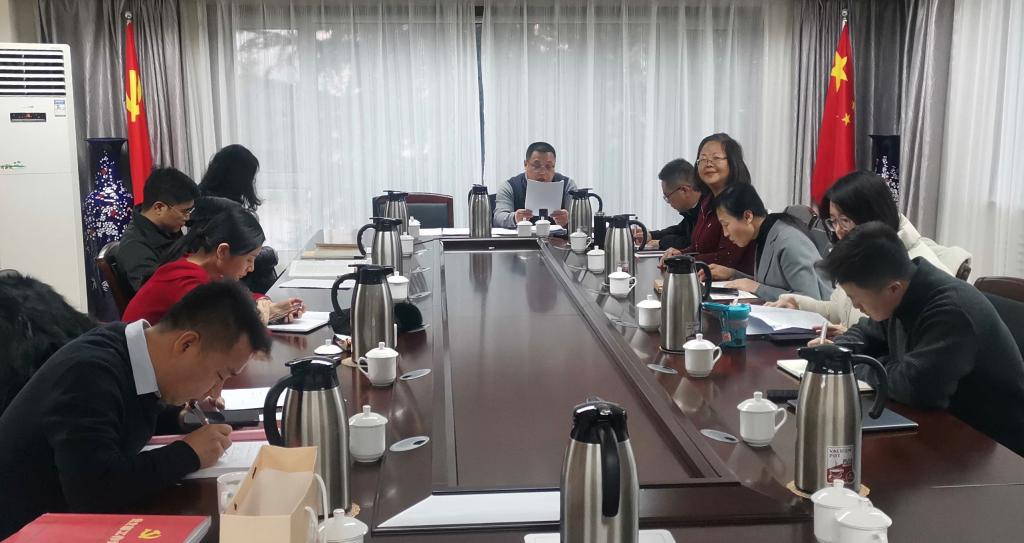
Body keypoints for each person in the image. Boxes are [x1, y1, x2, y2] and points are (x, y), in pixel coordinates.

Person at [0, 281, 274, 539]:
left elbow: (123, 412)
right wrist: (188, 453)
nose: (216, 391)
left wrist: (178, 418)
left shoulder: (131, 350)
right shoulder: (89, 373)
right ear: (186, 344)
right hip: (25, 529)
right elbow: (93, 491)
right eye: (219, 375)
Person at [809, 222, 1024, 456]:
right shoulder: (903, 290)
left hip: (992, 449)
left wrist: (853, 364)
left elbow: (914, 388)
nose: (856, 306)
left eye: (856, 298)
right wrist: (838, 352)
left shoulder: (951, 312)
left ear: (893, 288)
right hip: (941, 429)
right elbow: (864, 332)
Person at [768, 171, 957, 335]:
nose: (838, 230)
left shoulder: (907, 266)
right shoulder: (862, 253)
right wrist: (798, 304)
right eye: (833, 221)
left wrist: (852, 336)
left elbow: (899, 339)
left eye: (845, 220)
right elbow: (838, 311)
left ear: (872, 215)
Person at [122, 204, 303, 325]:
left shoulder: (204, 271)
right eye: (249, 259)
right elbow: (227, 328)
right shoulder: (186, 281)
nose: (251, 268)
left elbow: (238, 300)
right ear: (222, 252)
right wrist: (261, 313)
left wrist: (270, 308)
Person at [710, 183, 832, 301]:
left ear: (748, 217)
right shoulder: (766, 233)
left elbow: (810, 299)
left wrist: (757, 288)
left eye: (726, 224)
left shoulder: (789, 241)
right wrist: (732, 274)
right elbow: (771, 283)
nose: (725, 233)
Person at [659, 133, 756, 274]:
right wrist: (680, 253)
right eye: (703, 159)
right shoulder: (707, 200)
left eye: (716, 158)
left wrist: (685, 259)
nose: (708, 164)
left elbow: (726, 259)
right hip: (705, 279)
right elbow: (698, 247)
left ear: (733, 163)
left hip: (734, 284)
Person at [195, 144, 279, 293]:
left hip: (227, 269)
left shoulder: (204, 199)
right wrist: (268, 255)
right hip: (226, 274)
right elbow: (234, 253)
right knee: (267, 262)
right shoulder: (222, 207)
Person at [114, 168, 200, 292]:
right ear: (159, 208)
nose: (187, 218)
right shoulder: (135, 246)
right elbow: (157, 293)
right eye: (185, 211)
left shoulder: (168, 228)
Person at [492, 142, 578, 228]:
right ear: (525, 164)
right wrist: (514, 218)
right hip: (521, 236)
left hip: (558, 236)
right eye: (537, 166)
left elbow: (579, 219)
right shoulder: (510, 186)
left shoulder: (568, 185)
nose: (543, 172)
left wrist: (569, 219)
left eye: (548, 166)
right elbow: (498, 218)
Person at [638, 159, 703, 250]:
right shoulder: (692, 210)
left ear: (684, 190)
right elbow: (679, 230)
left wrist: (661, 242)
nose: (668, 202)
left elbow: (692, 243)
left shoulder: (708, 209)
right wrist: (650, 235)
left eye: (667, 196)